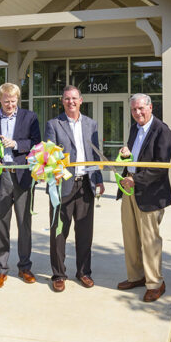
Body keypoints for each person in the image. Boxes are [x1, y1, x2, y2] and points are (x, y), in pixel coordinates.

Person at [0, 82, 41, 289]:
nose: (10, 105)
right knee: (2, 225)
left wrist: (16, 144)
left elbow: (37, 144)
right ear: (0, 100)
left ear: (17, 100)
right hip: (0, 176)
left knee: (24, 224)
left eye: (13, 101)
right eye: (6, 101)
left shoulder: (29, 117)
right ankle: (1, 269)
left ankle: (24, 267)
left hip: (22, 177)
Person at [44, 86, 105, 293]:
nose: (71, 102)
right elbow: (48, 155)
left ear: (81, 100)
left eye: (74, 98)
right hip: (62, 186)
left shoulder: (91, 124)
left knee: (85, 232)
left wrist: (98, 180)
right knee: (59, 233)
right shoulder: (54, 124)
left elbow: (95, 154)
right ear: (62, 101)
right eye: (67, 98)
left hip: (86, 184)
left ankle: (83, 272)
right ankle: (59, 274)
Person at [116, 93, 171, 302]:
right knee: (130, 237)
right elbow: (135, 156)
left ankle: (156, 283)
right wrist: (125, 154)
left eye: (141, 108)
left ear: (150, 107)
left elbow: (161, 167)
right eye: (133, 110)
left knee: (150, 241)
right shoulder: (134, 128)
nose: (137, 113)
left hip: (149, 193)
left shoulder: (162, 130)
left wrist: (136, 180)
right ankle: (136, 276)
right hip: (129, 190)